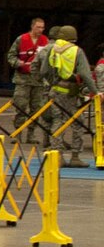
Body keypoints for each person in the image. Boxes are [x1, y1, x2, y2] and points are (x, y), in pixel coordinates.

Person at [37, 25, 96, 166]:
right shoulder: (77, 51)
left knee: (57, 122)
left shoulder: (51, 49)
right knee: (78, 122)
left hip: (55, 92)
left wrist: (53, 83)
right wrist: (94, 90)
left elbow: (43, 71)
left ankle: (58, 157)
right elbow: (86, 74)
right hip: (71, 94)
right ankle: (75, 157)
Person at [8, 18, 50, 139]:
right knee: (20, 106)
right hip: (22, 79)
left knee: (36, 109)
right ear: (32, 26)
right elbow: (11, 56)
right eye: (38, 27)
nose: (40, 30)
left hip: (38, 80)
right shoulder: (21, 39)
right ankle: (18, 133)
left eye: (42, 28)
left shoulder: (45, 41)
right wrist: (18, 63)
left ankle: (31, 134)